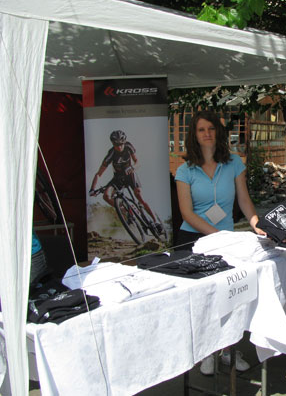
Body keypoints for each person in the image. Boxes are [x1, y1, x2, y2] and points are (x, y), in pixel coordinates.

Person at [174, 110, 265, 375]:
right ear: (194, 135)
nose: (207, 134)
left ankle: (228, 350)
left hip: (225, 240)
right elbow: (187, 213)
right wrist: (217, 235)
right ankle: (207, 352)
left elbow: (244, 199)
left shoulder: (234, 163)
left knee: (231, 297)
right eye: (201, 129)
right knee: (203, 302)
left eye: (211, 129)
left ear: (218, 132)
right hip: (194, 240)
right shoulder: (185, 170)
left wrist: (256, 223)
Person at [89, 130, 163, 233]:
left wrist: (133, 167)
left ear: (124, 142)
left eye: (121, 144)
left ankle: (156, 221)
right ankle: (125, 211)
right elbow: (98, 174)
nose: (119, 147)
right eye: (116, 145)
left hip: (130, 174)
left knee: (139, 195)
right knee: (106, 196)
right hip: (118, 178)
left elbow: (138, 162)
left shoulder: (128, 147)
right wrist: (92, 189)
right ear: (113, 144)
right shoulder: (111, 153)